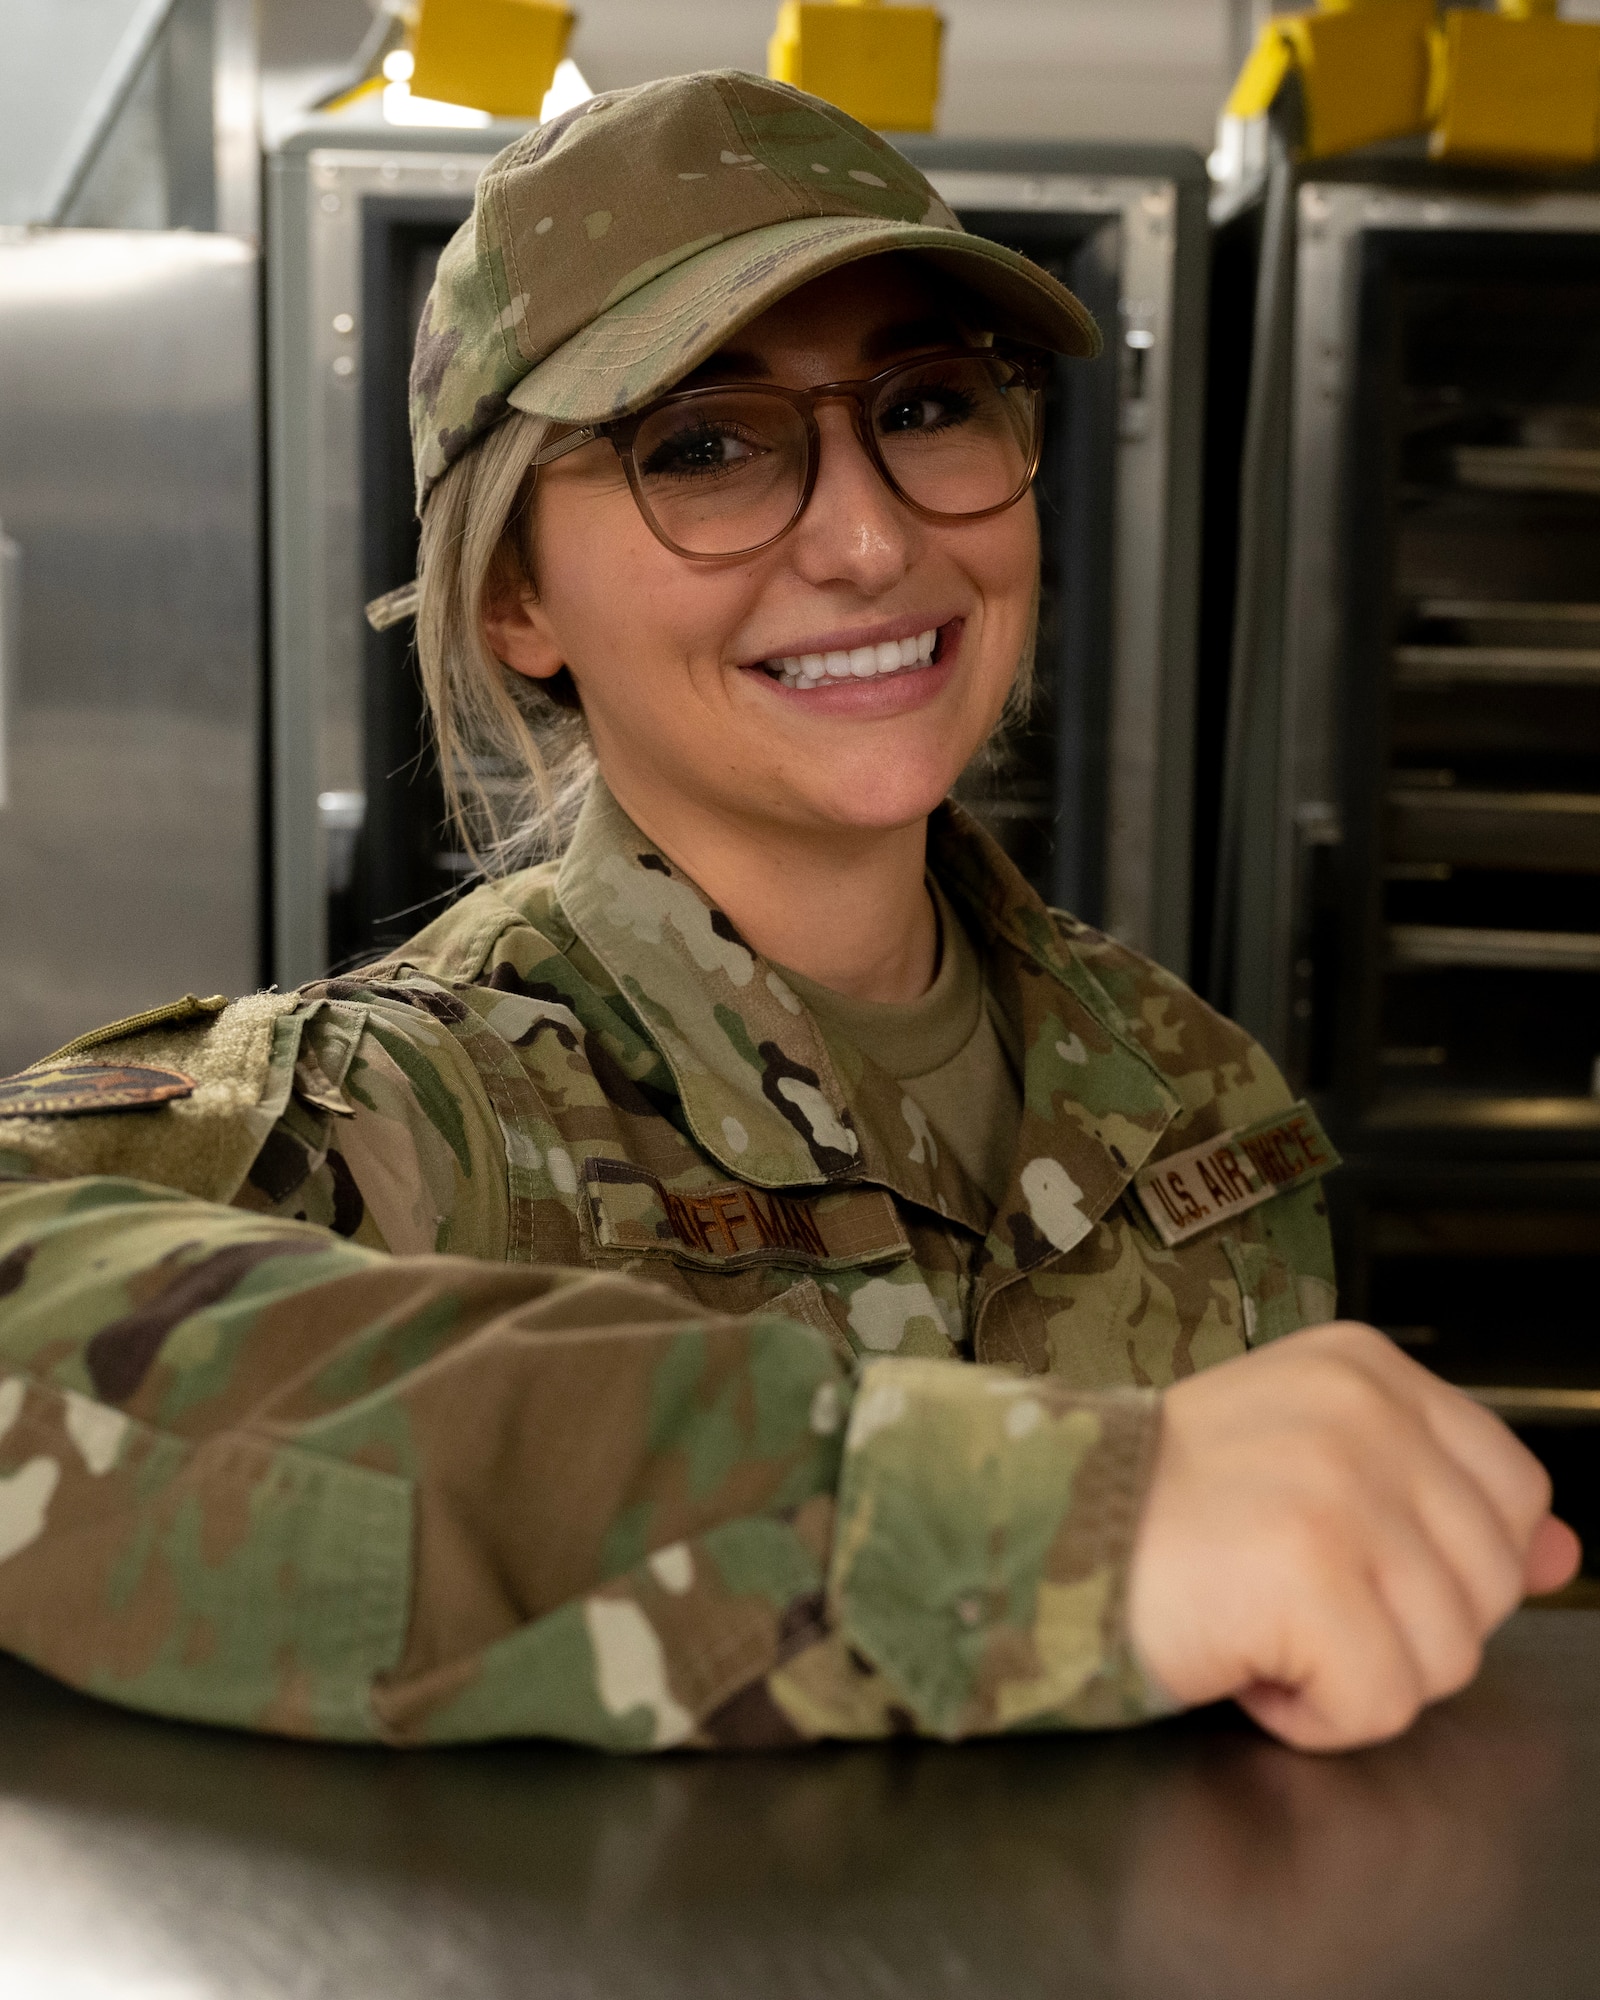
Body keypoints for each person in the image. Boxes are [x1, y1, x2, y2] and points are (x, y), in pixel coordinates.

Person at [0, 71, 1576, 1753]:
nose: (868, 540)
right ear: (519, 594)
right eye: (702, 444)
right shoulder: (415, 1121)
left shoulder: (1194, 1090)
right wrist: (1017, 1522)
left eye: (923, 406)